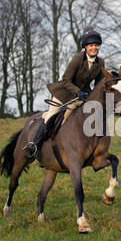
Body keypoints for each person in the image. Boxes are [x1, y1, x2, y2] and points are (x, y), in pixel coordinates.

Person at [23, 27, 105, 157]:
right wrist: (78, 92)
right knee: (50, 116)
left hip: (82, 96)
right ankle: (34, 144)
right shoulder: (78, 58)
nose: (94, 48)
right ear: (85, 47)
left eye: (96, 45)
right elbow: (66, 79)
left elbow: (99, 84)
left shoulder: (100, 62)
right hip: (65, 93)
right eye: (91, 45)